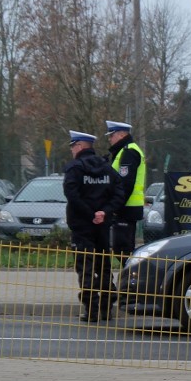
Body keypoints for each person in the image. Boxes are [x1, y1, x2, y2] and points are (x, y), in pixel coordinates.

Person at [63, 130, 125, 322]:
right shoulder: (107, 169)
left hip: (82, 226)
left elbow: (72, 196)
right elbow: (119, 194)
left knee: (86, 267)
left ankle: (91, 311)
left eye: (73, 146)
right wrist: (104, 212)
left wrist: (91, 215)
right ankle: (106, 309)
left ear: (80, 146)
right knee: (104, 266)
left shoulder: (75, 169)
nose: (72, 150)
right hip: (102, 226)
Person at [105, 120, 146, 259]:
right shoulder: (124, 150)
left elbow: (125, 184)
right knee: (122, 249)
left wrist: (115, 207)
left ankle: (133, 280)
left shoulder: (129, 151)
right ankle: (130, 279)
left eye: (111, 135)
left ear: (121, 135)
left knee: (123, 251)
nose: (109, 139)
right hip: (126, 207)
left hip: (126, 208)